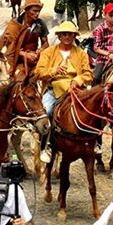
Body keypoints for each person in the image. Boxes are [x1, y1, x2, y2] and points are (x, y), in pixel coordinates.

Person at [32, 21, 93, 163]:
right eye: (64, 34)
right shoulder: (48, 52)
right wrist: (53, 71)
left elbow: (88, 74)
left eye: (70, 34)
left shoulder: (81, 53)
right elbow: (39, 72)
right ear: (59, 36)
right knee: (45, 112)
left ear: (74, 36)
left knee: (92, 111)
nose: (67, 37)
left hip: (76, 91)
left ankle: (94, 143)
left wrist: (78, 80)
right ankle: (44, 145)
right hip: (54, 89)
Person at [0, 0, 49, 81]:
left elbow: (45, 43)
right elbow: (9, 48)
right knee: (17, 81)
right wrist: (24, 54)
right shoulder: (15, 24)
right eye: (34, 11)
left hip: (35, 58)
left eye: (39, 11)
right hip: (17, 60)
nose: (37, 13)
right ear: (27, 10)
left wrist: (40, 50)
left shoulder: (40, 24)